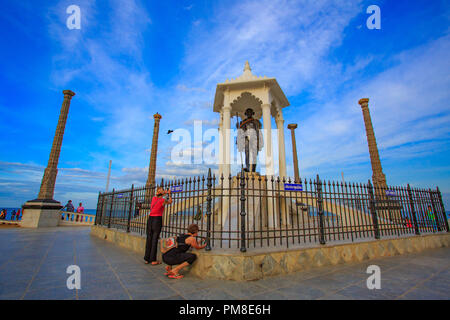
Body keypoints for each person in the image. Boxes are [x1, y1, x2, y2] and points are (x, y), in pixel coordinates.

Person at [144, 187, 172, 265]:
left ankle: (146, 258)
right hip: (157, 219)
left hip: (150, 219)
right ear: (162, 193)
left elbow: (158, 195)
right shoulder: (162, 200)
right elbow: (170, 201)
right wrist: (169, 193)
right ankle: (153, 260)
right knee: (154, 239)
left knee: (149, 238)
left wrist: (163, 193)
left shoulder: (153, 198)